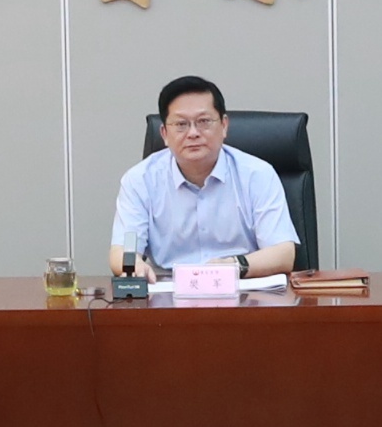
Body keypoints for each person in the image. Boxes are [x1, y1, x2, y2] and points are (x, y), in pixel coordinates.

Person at [112, 76, 298, 277]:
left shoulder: (257, 175)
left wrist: (234, 266)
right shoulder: (140, 180)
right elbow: (122, 250)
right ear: (164, 134)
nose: (193, 133)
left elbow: (283, 253)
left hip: (241, 287)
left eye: (203, 122)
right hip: (168, 289)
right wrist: (134, 267)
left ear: (224, 126)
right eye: (181, 124)